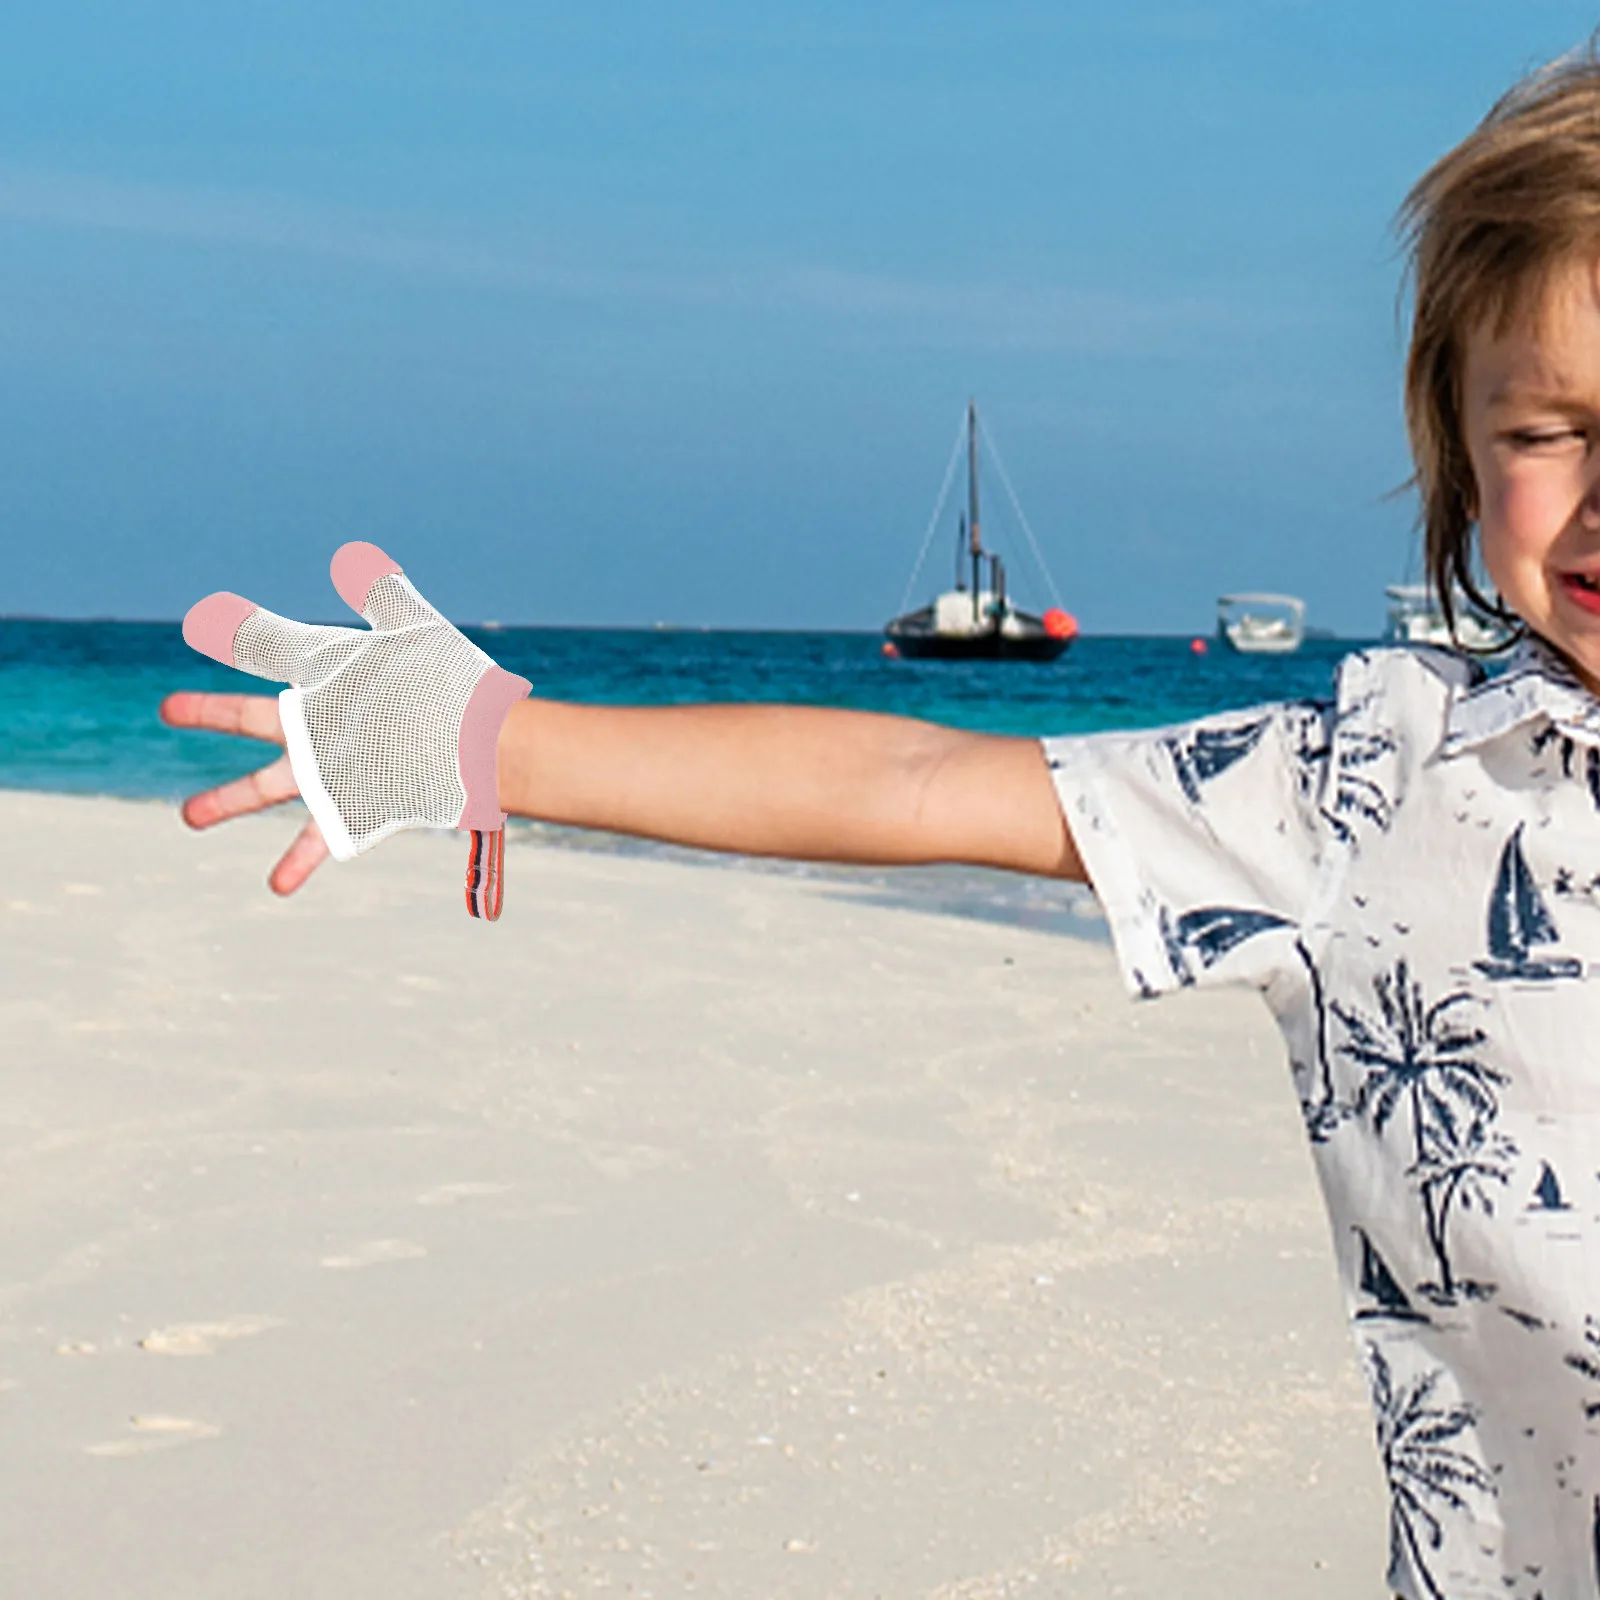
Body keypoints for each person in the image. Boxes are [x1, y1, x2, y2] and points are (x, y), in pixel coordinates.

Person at [161, 50, 1600, 1599]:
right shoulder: (1361, 793)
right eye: (1547, 432)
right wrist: (492, 739)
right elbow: (915, 786)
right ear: (1458, 454)